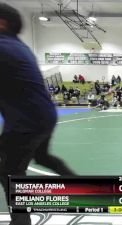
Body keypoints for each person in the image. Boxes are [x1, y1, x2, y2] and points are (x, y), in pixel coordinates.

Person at [0, 4, 76, 224]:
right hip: (43, 116)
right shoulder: (17, 46)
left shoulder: (4, 46)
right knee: (41, 157)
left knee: (10, 172)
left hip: (27, 121)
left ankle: (21, 221)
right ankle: (83, 187)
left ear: (2, 23)